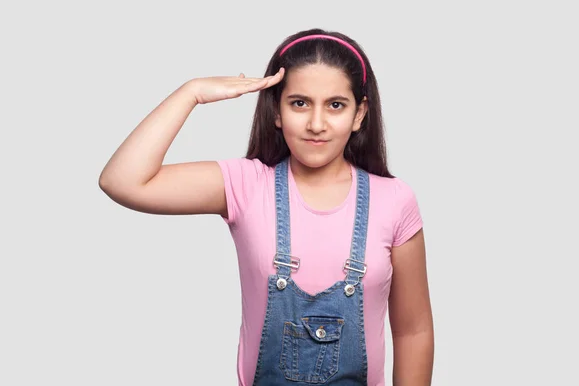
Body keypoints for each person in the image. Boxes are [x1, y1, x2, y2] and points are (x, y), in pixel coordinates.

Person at [99, 28, 434, 386]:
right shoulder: (246, 185)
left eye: (335, 105)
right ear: (276, 110)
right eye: (299, 103)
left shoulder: (394, 200)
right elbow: (122, 180)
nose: (316, 124)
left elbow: (413, 332)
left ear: (358, 114)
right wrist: (191, 92)